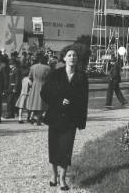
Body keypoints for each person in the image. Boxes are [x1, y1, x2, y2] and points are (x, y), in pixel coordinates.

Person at [41, 47, 89, 191]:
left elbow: (84, 99)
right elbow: (44, 93)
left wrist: (82, 121)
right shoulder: (56, 74)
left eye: (74, 55)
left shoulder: (82, 76)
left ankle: (62, 178)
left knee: (66, 148)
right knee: (54, 147)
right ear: (64, 58)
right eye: (69, 55)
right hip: (55, 116)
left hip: (71, 119)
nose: (72, 57)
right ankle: (53, 175)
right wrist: (59, 100)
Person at [27, 53, 51, 125]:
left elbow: (30, 77)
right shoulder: (48, 68)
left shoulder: (33, 67)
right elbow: (49, 78)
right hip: (43, 85)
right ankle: (38, 120)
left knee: (34, 102)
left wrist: (32, 84)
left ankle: (31, 117)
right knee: (41, 103)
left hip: (35, 85)